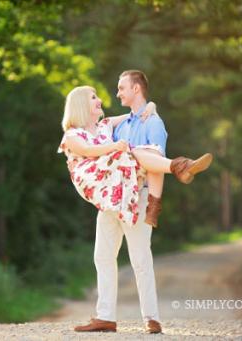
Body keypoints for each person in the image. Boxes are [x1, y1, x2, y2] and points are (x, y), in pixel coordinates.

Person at [62, 71, 211, 334]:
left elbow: (141, 132)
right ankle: (105, 316)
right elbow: (89, 150)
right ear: (82, 106)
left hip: (134, 195)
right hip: (109, 200)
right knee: (103, 257)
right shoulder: (88, 132)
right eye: (94, 97)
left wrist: (154, 201)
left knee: (140, 257)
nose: (105, 97)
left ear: (135, 88)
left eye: (120, 88)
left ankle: (151, 318)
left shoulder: (131, 124)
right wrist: (117, 146)